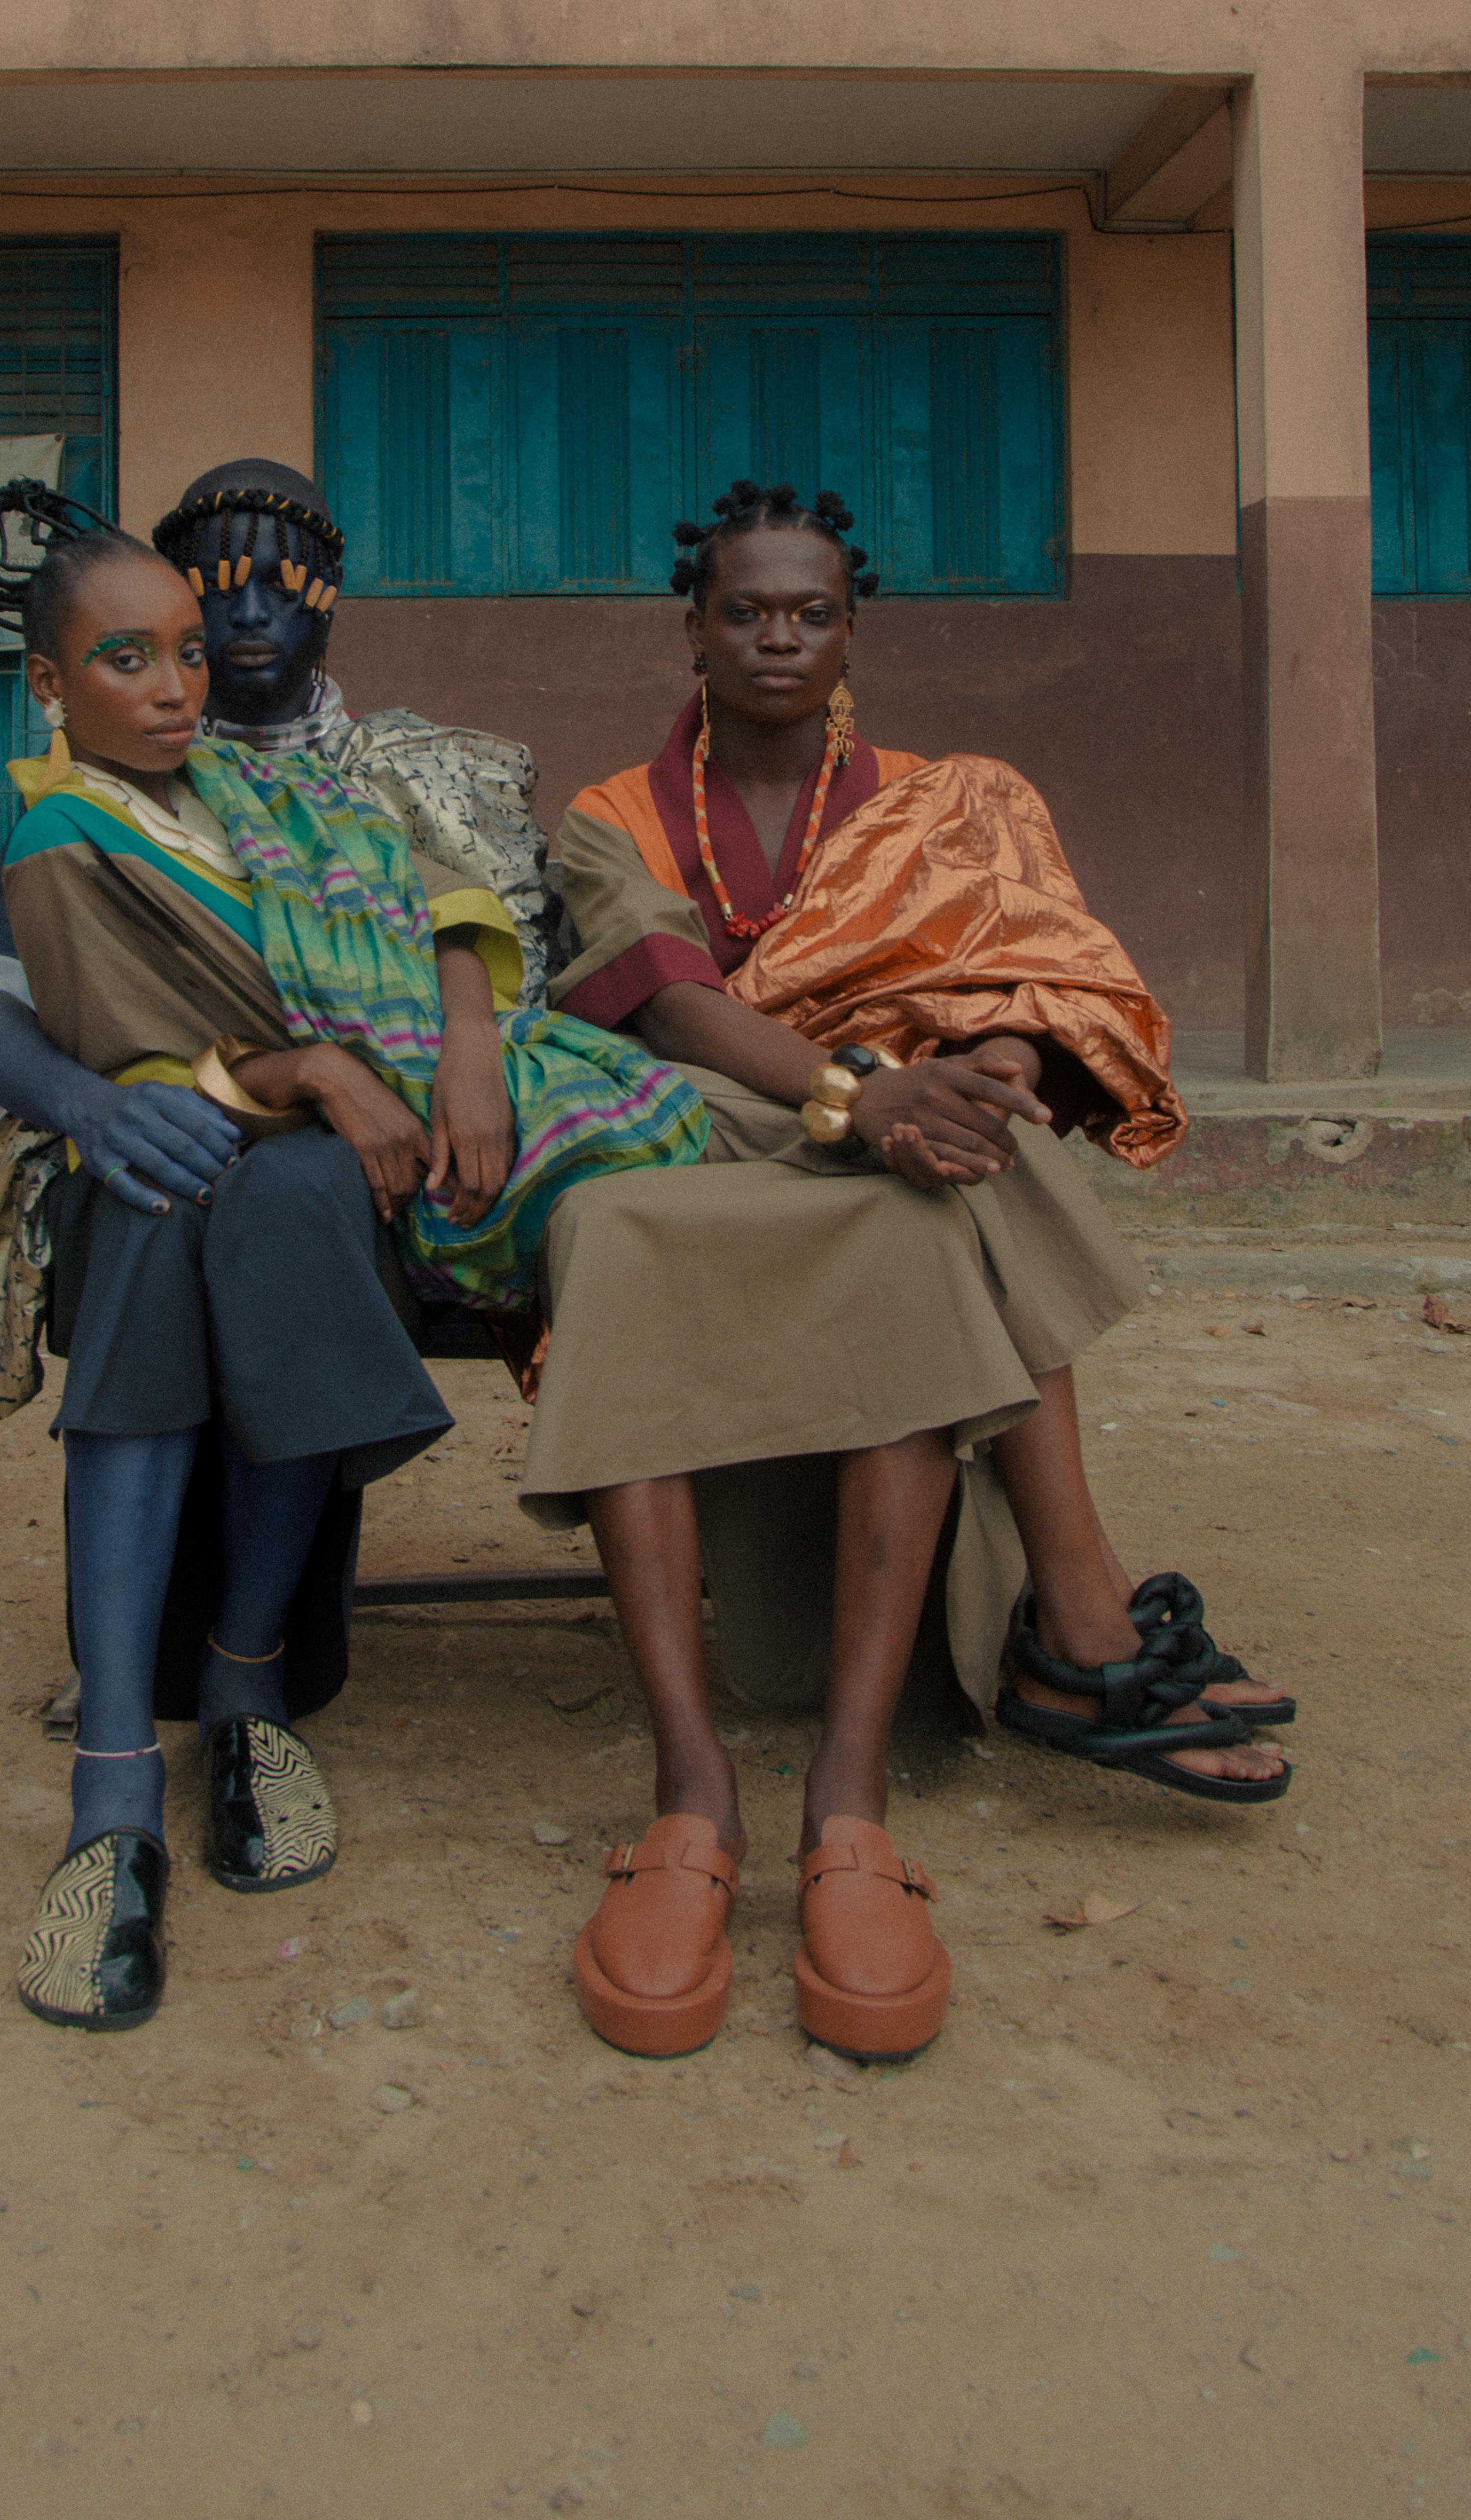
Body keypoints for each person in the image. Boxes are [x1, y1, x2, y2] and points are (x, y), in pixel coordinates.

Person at [520, 478, 1292, 2066]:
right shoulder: (614, 814)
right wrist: (862, 1094)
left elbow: (1027, 964)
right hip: (713, 1136)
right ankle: (764, 1765)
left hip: (905, 1126)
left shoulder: (949, 795)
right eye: (748, 610)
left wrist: (989, 1060)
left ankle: (855, 1795)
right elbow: (666, 1003)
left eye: (812, 610)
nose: (781, 635)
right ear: (696, 628)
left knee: (971, 1166)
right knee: (649, 1226)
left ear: (851, 627)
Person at [0, 494, 705, 2035]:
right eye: (138, 652)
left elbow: (432, 921)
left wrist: (356, 1060)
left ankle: (243, 1680)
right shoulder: (66, 818)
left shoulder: (304, 787)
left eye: (190, 649)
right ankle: (117, 1794)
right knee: (161, 1209)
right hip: (139, 1152)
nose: (180, 676)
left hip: (303, 1159)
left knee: (281, 1211)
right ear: (53, 681)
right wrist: (111, 1097)